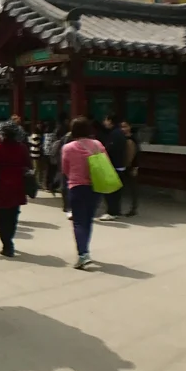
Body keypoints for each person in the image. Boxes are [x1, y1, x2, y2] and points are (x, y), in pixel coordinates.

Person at [62, 116, 108, 269]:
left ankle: (83, 254)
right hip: (95, 186)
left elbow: (65, 169)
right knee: (88, 220)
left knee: (78, 222)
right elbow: (106, 163)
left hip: (77, 187)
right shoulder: (97, 144)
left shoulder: (68, 148)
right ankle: (85, 251)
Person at [0, 122, 32, 257]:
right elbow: (29, 164)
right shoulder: (22, 148)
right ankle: (9, 240)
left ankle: (7, 245)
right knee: (13, 216)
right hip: (17, 186)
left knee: (1, 216)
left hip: (0, 186)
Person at [99, 114, 127, 221]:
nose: (104, 122)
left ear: (110, 121)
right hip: (119, 165)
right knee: (116, 191)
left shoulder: (115, 134)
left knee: (111, 191)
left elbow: (110, 150)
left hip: (114, 165)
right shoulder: (118, 132)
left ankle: (112, 212)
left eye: (105, 120)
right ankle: (116, 211)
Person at [120, 120, 139, 217]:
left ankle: (133, 208)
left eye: (125, 126)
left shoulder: (133, 139)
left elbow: (137, 154)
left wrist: (135, 167)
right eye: (121, 127)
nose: (123, 129)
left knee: (132, 188)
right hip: (123, 165)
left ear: (130, 127)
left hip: (131, 166)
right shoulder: (122, 138)